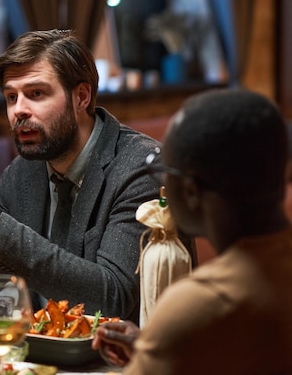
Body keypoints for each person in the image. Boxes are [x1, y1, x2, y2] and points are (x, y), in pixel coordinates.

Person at [0, 29, 195, 322]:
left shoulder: (142, 168)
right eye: (11, 97)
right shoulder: (22, 172)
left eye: (36, 93)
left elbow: (113, 298)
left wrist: (0, 234)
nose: (18, 111)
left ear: (82, 97)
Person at [91, 89, 292, 374]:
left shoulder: (199, 304)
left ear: (190, 191)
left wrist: (169, 337)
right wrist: (161, 349)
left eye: (163, 170)